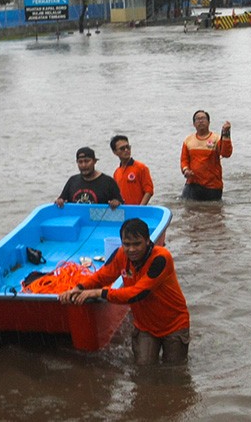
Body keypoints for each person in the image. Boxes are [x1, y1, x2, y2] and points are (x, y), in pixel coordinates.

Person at [58, 218, 190, 365]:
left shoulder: (161, 259)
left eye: (137, 244)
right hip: (145, 327)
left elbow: (138, 293)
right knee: (143, 368)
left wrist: (97, 293)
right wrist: (79, 288)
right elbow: (102, 276)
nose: (131, 249)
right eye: (126, 244)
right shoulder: (121, 254)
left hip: (174, 324)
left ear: (147, 241)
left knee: (175, 371)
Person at [180, 110, 233, 201]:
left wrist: (226, 133)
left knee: (213, 212)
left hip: (213, 186)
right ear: (194, 124)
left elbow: (226, 153)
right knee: (188, 211)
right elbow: (184, 160)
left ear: (209, 122)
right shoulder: (188, 140)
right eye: (197, 119)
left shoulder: (216, 138)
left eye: (203, 118)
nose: (200, 121)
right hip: (192, 184)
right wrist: (186, 170)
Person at [56, 147, 123, 209]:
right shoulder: (72, 181)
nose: (84, 165)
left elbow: (121, 204)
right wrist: (60, 201)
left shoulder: (108, 182)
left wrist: (116, 202)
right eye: (80, 162)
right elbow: (61, 200)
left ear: (94, 161)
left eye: (87, 161)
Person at [110, 135, 154, 206]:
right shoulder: (116, 172)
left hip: (138, 210)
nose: (126, 150)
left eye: (128, 147)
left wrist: (140, 208)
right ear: (115, 152)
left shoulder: (141, 167)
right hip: (124, 211)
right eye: (122, 148)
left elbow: (149, 191)